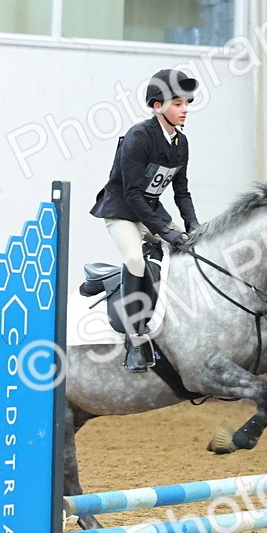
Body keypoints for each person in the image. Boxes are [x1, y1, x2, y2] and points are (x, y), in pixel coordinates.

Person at [90, 68, 201, 372]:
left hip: (149, 210)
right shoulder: (139, 137)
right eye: (178, 104)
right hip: (122, 211)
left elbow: (182, 190)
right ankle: (135, 336)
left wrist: (191, 225)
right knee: (135, 260)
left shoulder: (181, 143)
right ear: (157, 106)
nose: (185, 110)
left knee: (190, 249)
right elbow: (133, 194)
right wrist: (163, 229)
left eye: (186, 104)